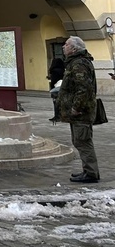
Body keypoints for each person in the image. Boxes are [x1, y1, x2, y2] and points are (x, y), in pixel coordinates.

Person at [57, 36, 99, 184]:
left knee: (83, 141)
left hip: (81, 112)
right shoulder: (76, 62)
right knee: (80, 141)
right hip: (80, 112)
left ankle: (91, 173)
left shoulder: (79, 64)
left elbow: (84, 89)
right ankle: (88, 171)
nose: (63, 46)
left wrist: (76, 107)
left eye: (66, 44)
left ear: (74, 49)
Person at [48, 57, 65, 122]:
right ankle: (62, 116)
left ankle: (57, 116)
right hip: (62, 87)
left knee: (56, 102)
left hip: (56, 88)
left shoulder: (54, 71)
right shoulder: (63, 70)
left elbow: (53, 81)